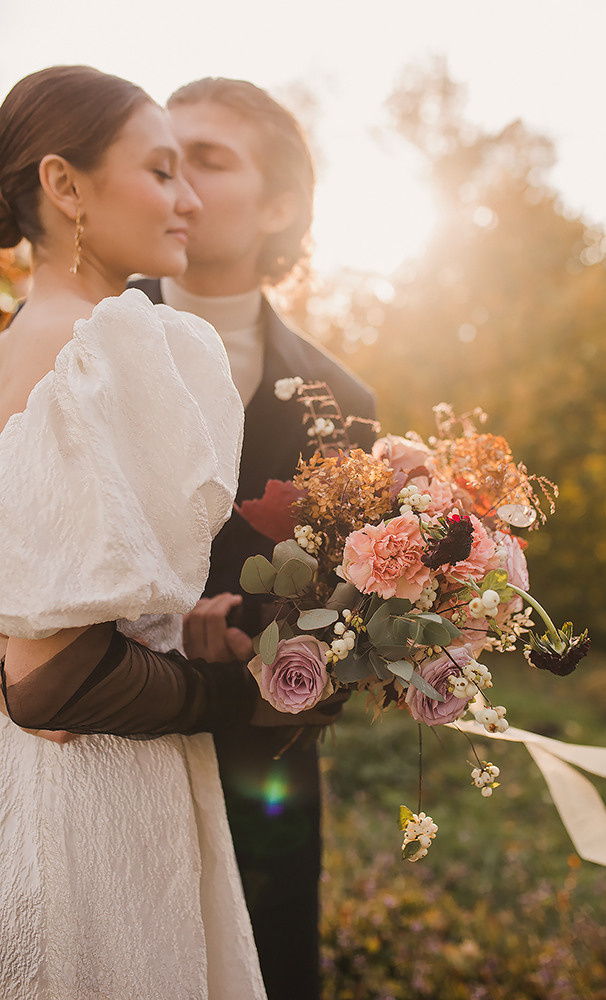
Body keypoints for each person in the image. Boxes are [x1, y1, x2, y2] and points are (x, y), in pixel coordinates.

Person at [0, 66, 266, 1000]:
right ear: (64, 185)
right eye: (159, 172)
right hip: (96, 803)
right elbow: (53, 682)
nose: (186, 199)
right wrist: (237, 696)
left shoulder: (16, 342)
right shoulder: (106, 347)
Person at [129, 78, 377, 1000]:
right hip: (98, 741)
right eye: (162, 156)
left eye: (208, 158)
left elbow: (342, 609)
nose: (175, 183)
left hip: (260, 763)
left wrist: (260, 633)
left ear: (280, 205)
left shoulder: (341, 400)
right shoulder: (80, 337)